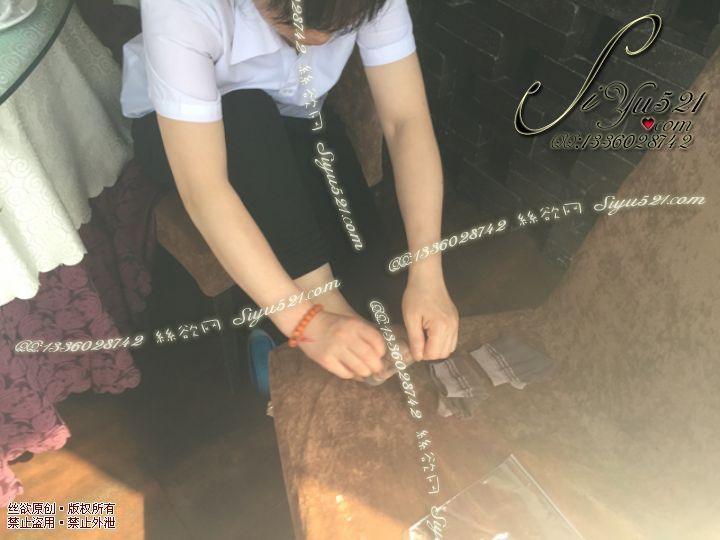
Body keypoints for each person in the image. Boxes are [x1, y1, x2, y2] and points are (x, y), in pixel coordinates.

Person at [121, 0, 459, 380]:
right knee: (246, 112)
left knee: (374, 289)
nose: (321, 41)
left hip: (294, 114)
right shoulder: (181, 8)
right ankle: (291, 326)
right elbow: (205, 190)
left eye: (341, 28)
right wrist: (307, 322)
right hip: (182, 130)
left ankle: (272, 331)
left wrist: (428, 272)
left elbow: (405, 121)